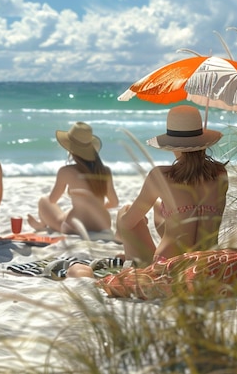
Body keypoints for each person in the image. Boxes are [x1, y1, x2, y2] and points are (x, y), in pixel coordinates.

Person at [68, 105, 228, 277]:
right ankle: (135, 253)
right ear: (203, 142)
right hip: (206, 268)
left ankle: (130, 257)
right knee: (160, 208)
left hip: (168, 269)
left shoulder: (160, 176)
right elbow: (192, 217)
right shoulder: (220, 174)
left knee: (126, 214)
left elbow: (129, 223)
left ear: (173, 145)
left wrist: (122, 221)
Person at [27, 122, 119, 235]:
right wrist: (94, 208)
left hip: (75, 226)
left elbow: (53, 200)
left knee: (44, 200)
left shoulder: (66, 171)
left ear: (71, 148)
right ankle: (42, 224)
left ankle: (42, 224)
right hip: (102, 225)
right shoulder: (105, 171)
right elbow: (114, 202)